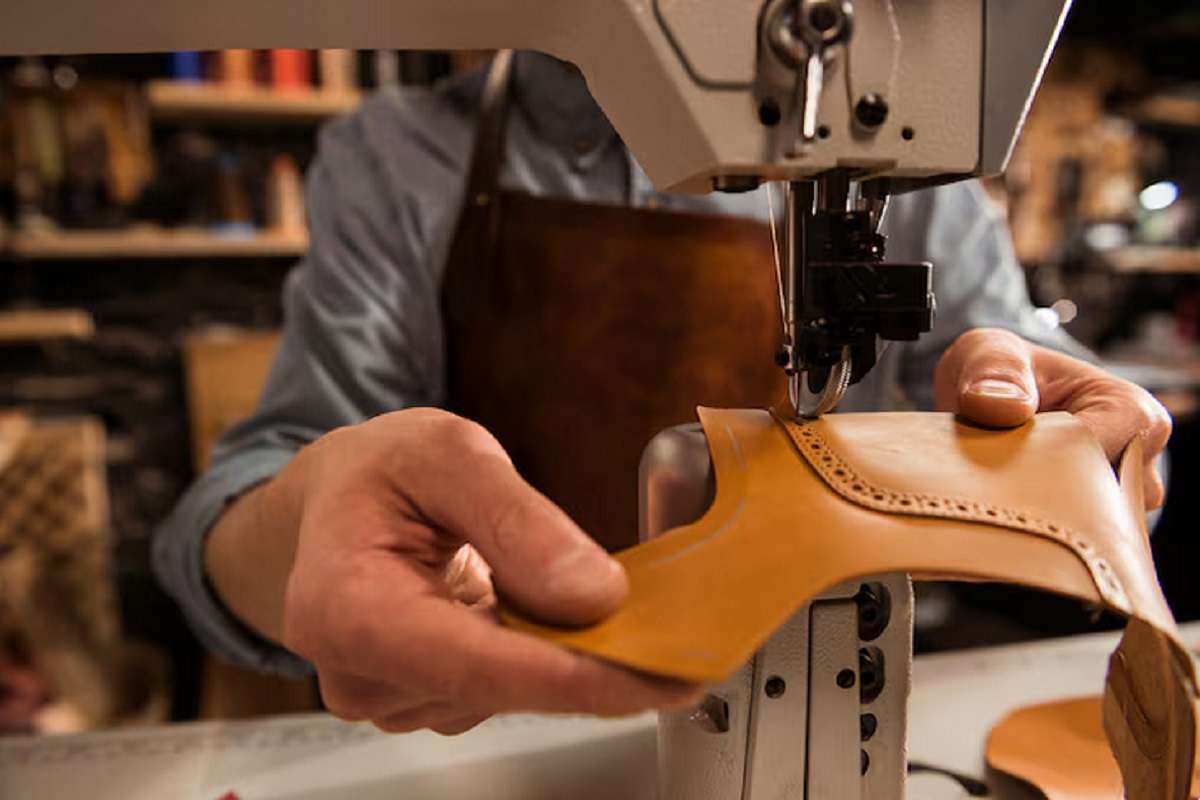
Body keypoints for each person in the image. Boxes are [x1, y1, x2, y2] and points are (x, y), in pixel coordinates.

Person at [154, 52, 1171, 736]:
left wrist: (1071, 448)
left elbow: (1027, 387)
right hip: (496, 727)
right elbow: (232, 514)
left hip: (837, 696)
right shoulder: (400, 154)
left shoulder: (903, 158)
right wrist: (296, 535)